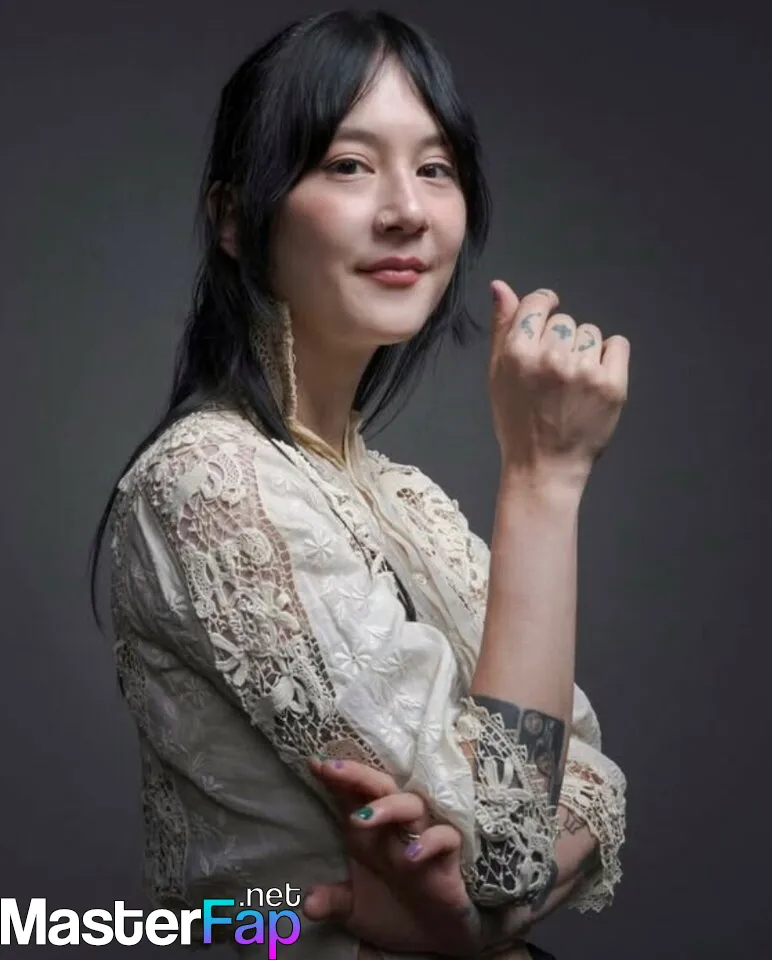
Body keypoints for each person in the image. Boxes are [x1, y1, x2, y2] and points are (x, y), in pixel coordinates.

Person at [89, 9, 630, 959]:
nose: (407, 210)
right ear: (232, 217)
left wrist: (471, 919)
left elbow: (588, 782)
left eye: (436, 168)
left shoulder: (404, 498)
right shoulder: (207, 480)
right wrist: (544, 479)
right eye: (348, 164)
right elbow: (513, 842)